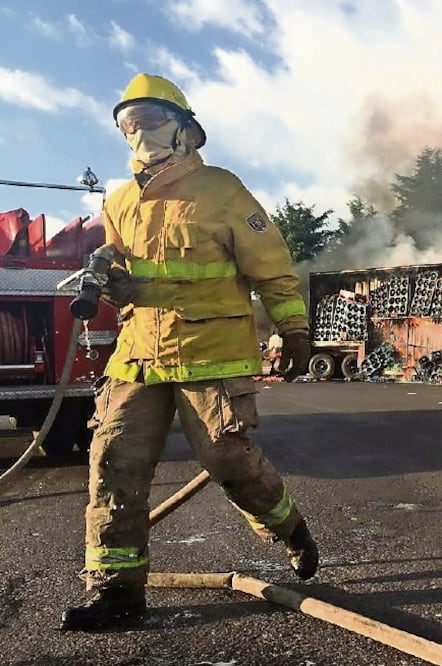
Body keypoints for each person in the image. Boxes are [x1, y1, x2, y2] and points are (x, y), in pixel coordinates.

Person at [61, 74, 318, 631]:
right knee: (113, 463)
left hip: (212, 348)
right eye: (130, 124)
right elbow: (128, 268)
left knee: (227, 460)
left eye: (152, 119)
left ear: (185, 131)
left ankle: (289, 528)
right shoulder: (122, 199)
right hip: (139, 352)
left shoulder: (223, 190)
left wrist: (293, 328)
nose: (140, 132)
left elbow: (271, 267)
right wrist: (116, 284)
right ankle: (116, 592)